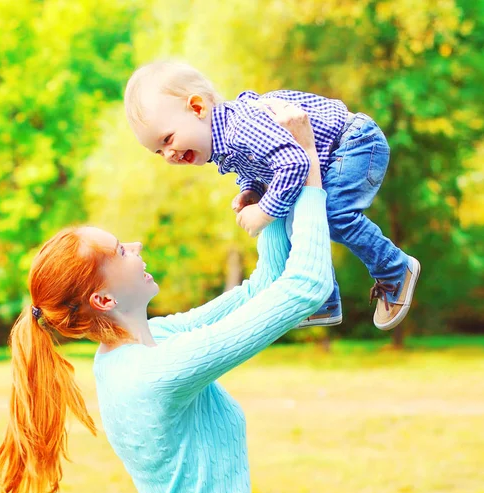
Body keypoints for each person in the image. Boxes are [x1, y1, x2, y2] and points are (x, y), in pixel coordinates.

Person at [0, 105, 332, 493]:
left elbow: (260, 290)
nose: (135, 246)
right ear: (103, 300)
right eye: (120, 251)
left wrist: (270, 194)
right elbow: (306, 286)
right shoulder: (154, 371)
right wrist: (308, 165)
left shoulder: (148, 344)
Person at [124, 60, 421, 331]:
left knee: (331, 214)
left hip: (353, 142)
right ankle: (322, 298)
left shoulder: (241, 125)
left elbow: (294, 162)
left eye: (167, 139)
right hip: (333, 155)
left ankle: (395, 268)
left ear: (198, 108)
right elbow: (260, 166)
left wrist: (264, 210)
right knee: (302, 216)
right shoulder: (222, 142)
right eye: (158, 151)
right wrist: (250, 190)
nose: (168, 154)